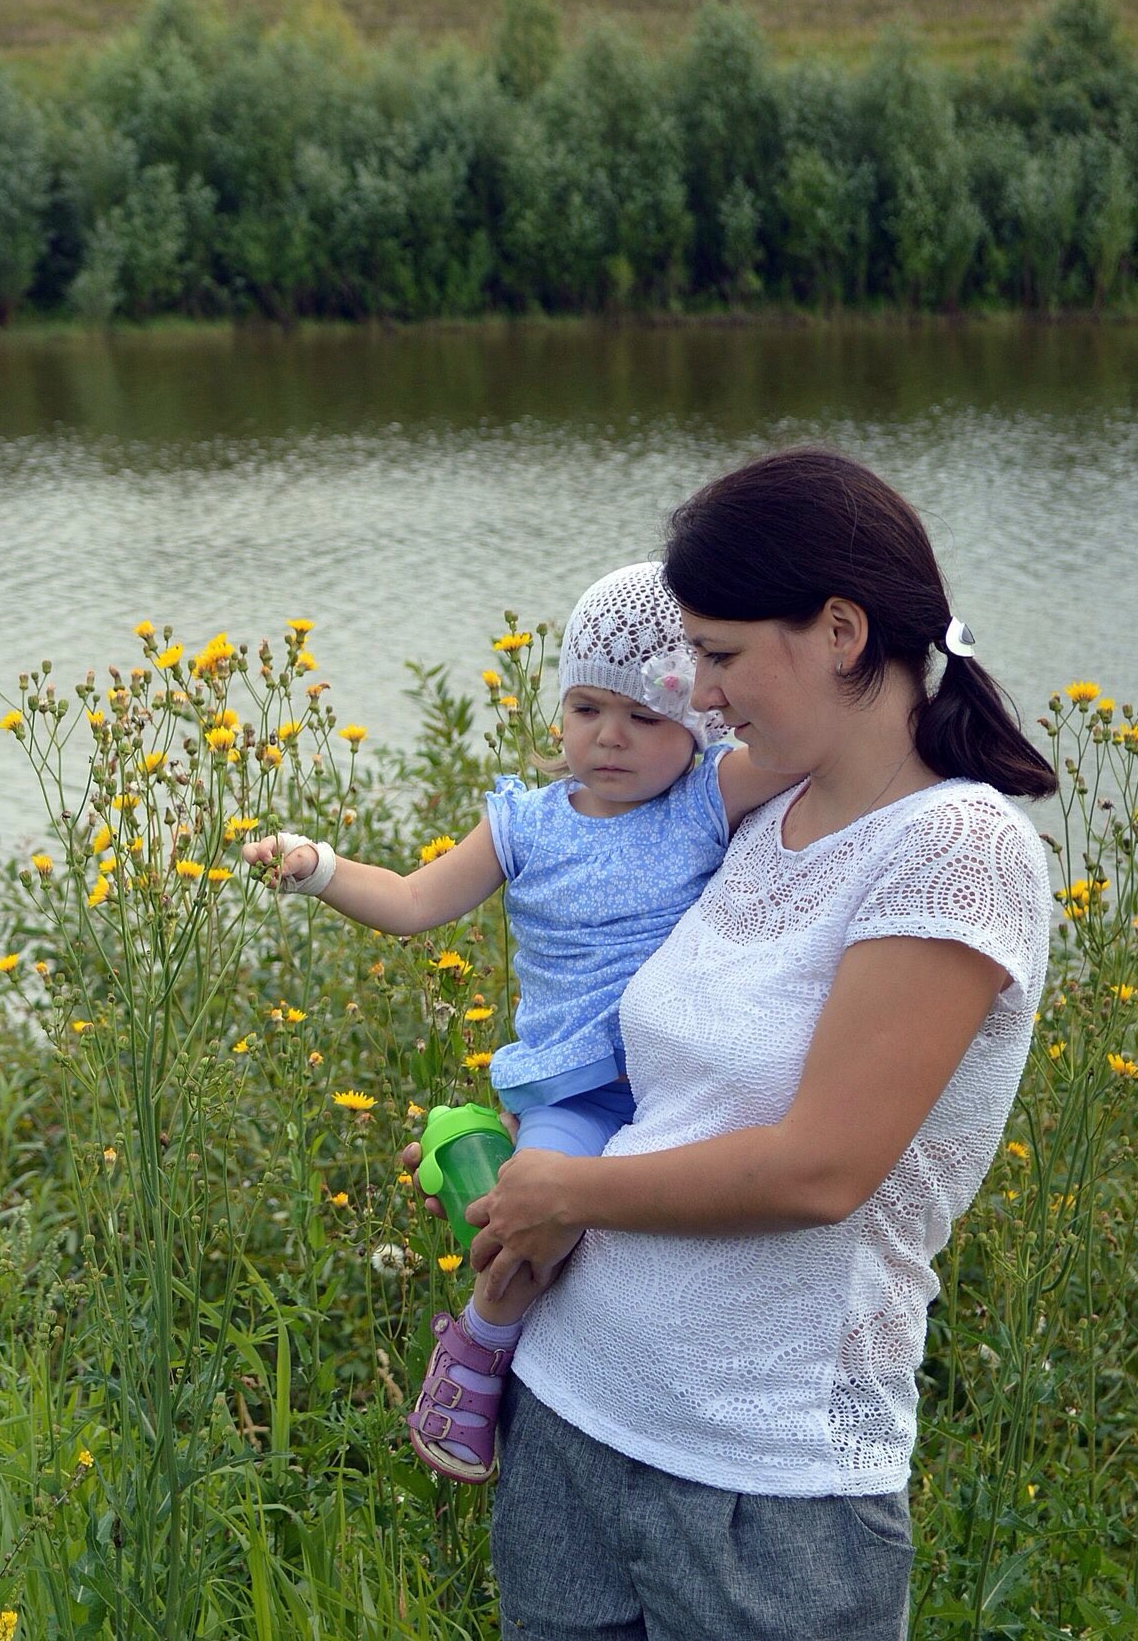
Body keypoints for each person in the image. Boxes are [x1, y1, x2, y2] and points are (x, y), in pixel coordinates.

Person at [454, 448, 1057, 1639]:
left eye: (720, 655)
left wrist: (564, 1186)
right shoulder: (759, 807)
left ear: (840, 630)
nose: (702, 691)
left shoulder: (956, 852)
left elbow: (818, 1169)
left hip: (760, 1488)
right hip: (573, 1417)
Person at [243, 560, 799, 1482]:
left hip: (683, 1076)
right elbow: (415, 901)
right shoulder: (526, 825)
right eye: (586, 709)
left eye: (644, 717)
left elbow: (810, 744)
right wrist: (317, 867)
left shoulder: (710, 795)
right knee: (533, 1220)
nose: (609, 738)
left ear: (698, 720)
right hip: (579, 1084)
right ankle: (476, 1352)